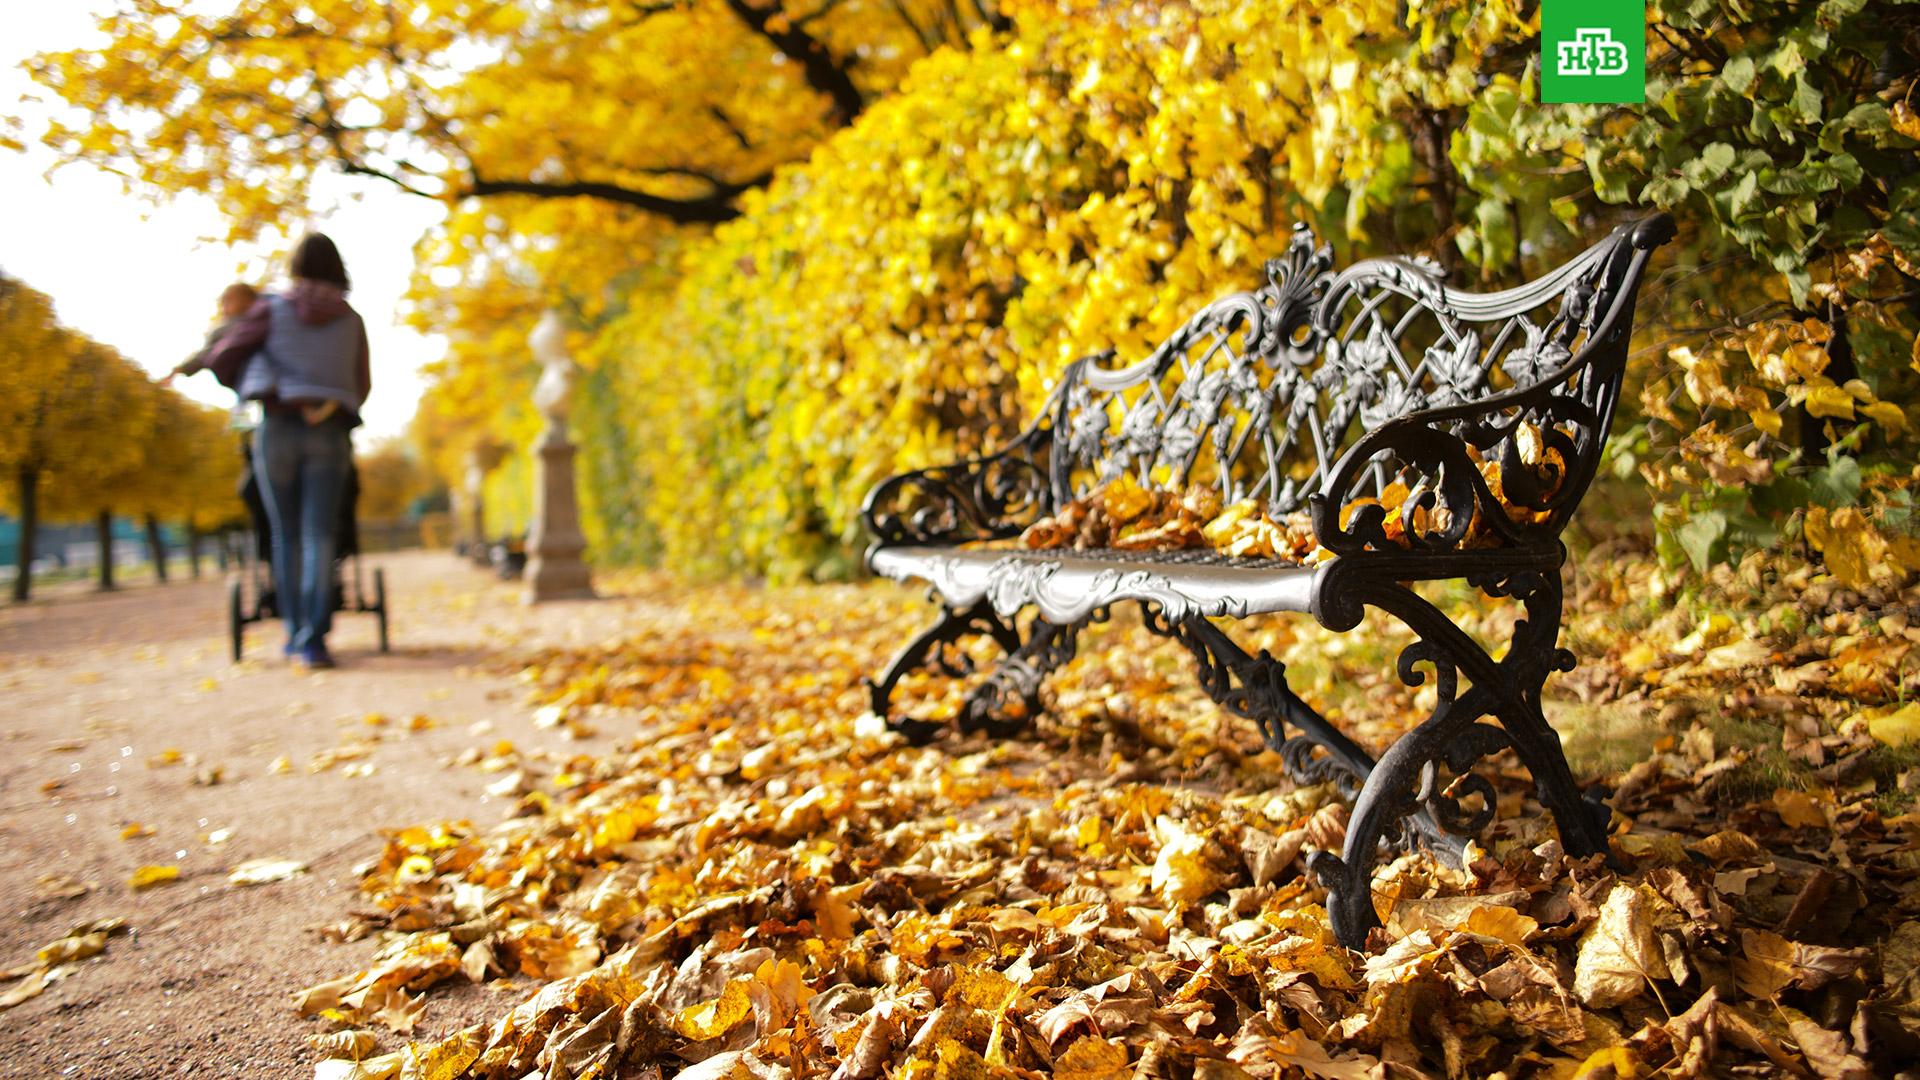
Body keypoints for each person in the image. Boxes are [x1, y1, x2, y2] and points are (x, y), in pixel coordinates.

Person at [201, 234, 371, 669]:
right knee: (319, 536)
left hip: (277, 426)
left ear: (294, 267)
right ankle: (314, 639)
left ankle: (295, 634)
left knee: (286, 536)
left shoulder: (271, 309)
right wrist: (329, 402)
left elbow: (223, 356)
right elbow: (362, 384)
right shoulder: (351, 320)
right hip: (329, 430)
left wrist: (260, 383)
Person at [162, 283, 259, 387]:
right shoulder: (260, 319)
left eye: (227, 301)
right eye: (223, 303)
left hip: (249, 380)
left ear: (247, 301)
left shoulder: (229, 327)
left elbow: (203, 356)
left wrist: (178, 370)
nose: (224, 308)